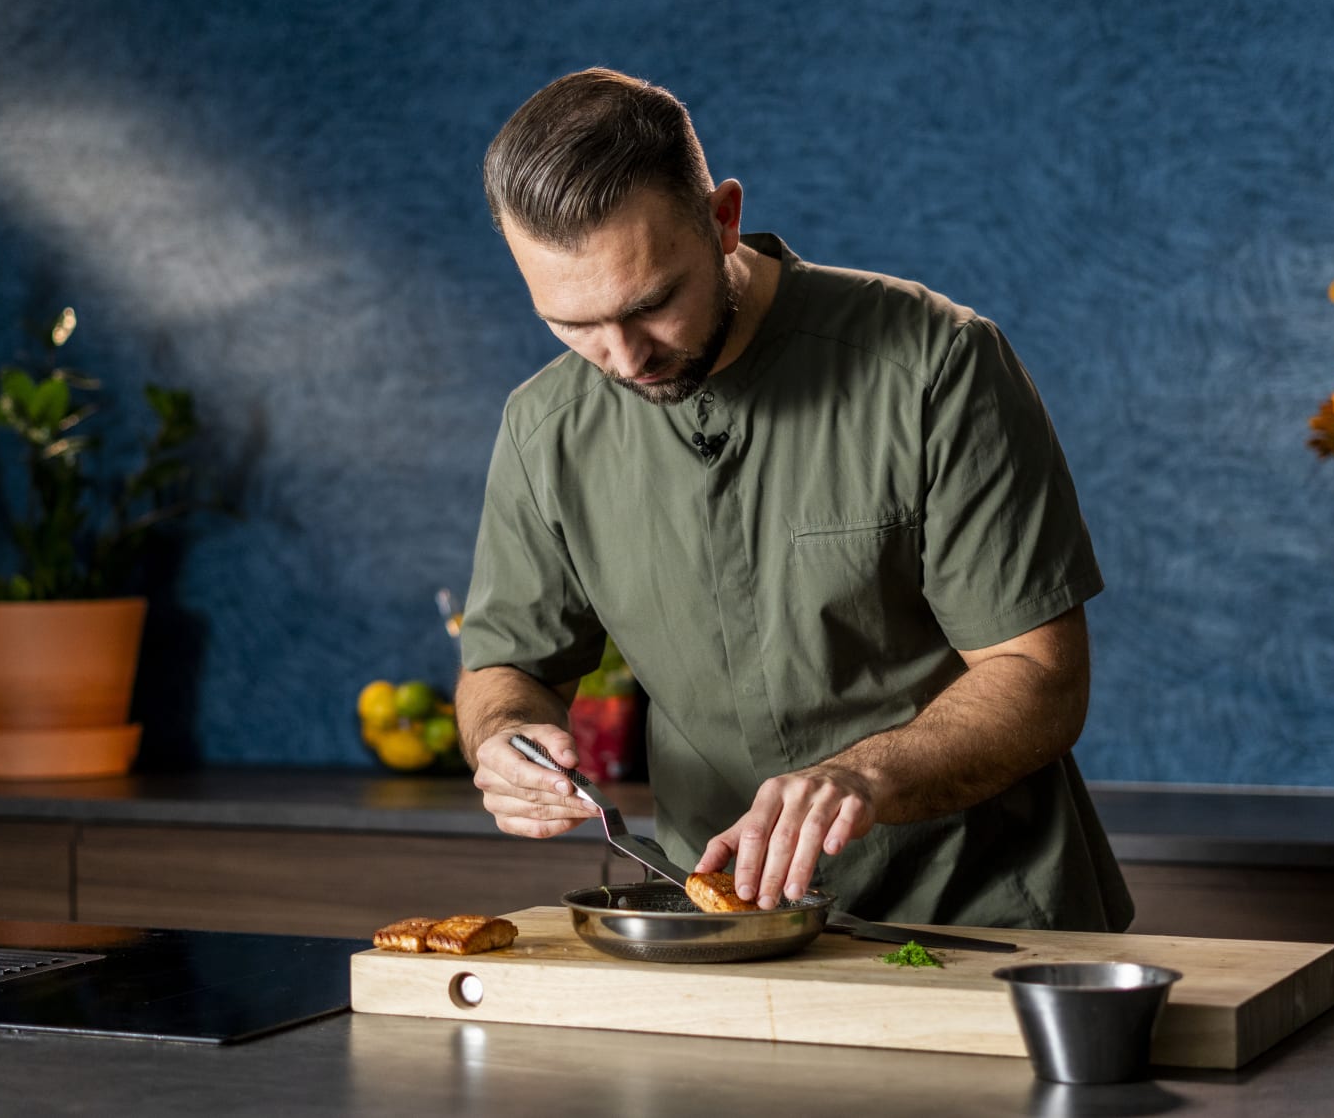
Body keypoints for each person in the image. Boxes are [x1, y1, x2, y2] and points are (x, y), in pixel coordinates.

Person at [454, 68, 1131, 932]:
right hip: (717, 923)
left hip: (979, 916)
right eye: (572, 324)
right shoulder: (542, 426)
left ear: (724, 219)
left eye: (652, 303)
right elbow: (504, 666)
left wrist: (863, 778)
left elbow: (1041, 678)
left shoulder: (938, 365)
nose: (623, 359)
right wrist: (505, 737)